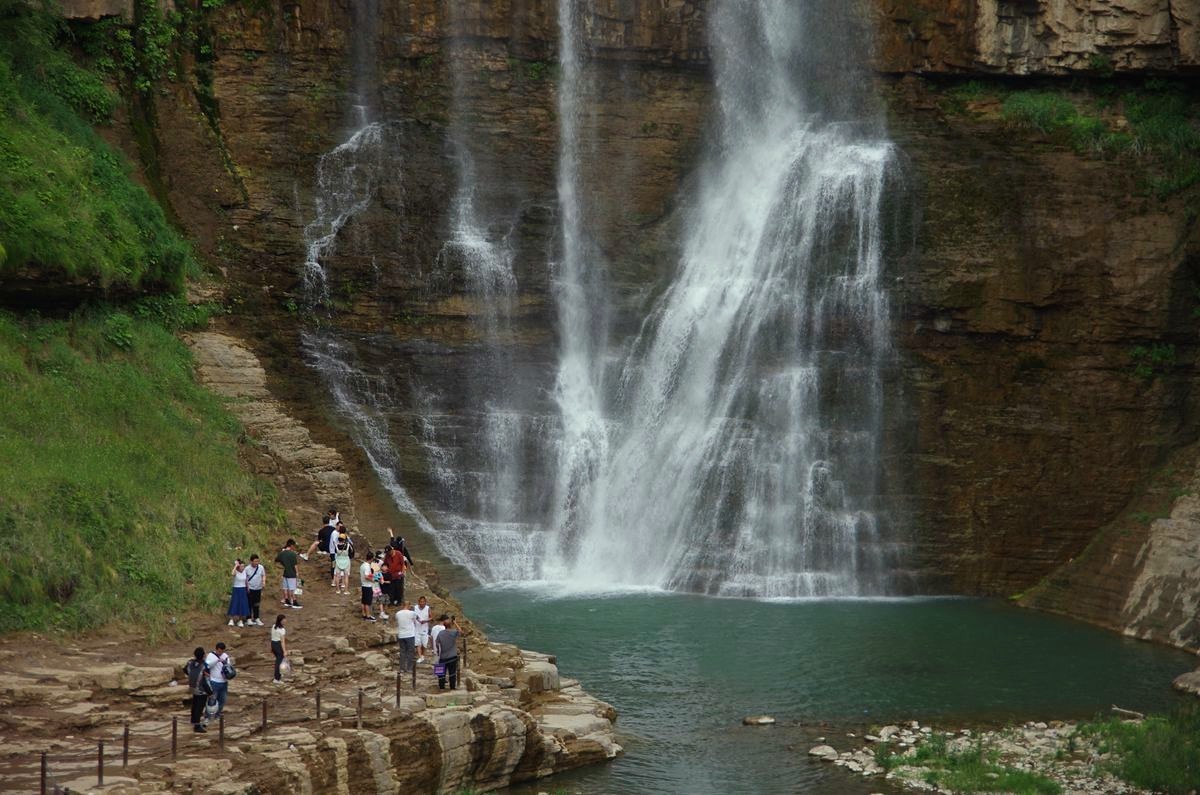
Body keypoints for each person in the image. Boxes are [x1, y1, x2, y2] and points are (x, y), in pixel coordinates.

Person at [184, 647, 211, 733]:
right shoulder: (204, 665)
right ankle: (197, 726)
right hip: (201, 690)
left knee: (194, 705)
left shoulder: (190, 662)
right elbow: (205, 681)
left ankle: (193, 721)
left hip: (192, 687)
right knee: (199, 708)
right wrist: (210, 692)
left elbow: (185, 670)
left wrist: (191, 676)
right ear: (203, 655)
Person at [205, 642, 232, 716]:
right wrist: (217, 660)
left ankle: (218, 713)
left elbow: (229, 666)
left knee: (222, 699)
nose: (221, 653)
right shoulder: (210, 655)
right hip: (214, 681)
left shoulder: (225, 656)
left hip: (224, 682)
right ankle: (208, 714)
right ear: (216, 649)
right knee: (212, 699)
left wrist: (225, 663)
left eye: (222, 651)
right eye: (219, 651)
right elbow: (207, 665)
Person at [274, 539, 302, 609]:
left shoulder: (282, 553)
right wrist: (297, 573)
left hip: (285, 573)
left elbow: (276, 560)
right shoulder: (292, 554)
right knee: (292, 589)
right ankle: (294, 601)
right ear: (292, 545)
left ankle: (287, 600)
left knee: (285, 587)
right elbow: (295, 565)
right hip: (292, 574)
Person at [435, 616, 460, 690]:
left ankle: (441, 687)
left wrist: (438, 651)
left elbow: (437, 643)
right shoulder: (453, 632)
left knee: (441, 673)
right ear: (450, 625)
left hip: (442, 656)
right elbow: (460, 631)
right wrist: (455, 622)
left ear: (444, 626)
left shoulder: (440, 633)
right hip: (452, 656)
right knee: (452, 673)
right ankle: (452, 687)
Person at [394, 600, 417, 673]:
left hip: (401, 635)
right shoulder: (412, 613)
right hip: (410, 634)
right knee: (410, 652)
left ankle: (402, 668)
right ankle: (409, 668)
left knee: (402, 652)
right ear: (409, 605)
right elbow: (415, 621)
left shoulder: (398, 613)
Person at [227, 560, 250, 627]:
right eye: (241, 566)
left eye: (244, 566)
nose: (243, 567)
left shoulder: (245, 572)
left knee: (242, 604)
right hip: (236, 589)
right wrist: (236, 566)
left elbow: (246, 580)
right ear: (239, 566)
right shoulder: (236, 571)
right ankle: (231, 619)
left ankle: (240, 620)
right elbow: (232, 574)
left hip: (243, 589)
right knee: (235, 603)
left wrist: (247, 587)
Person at [244, 555, 266, 626]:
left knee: (256, 604)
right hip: (250, 589)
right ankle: (248, 618)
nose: (257, 563)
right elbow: (245, 579)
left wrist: (263, 581)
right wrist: (247, 587)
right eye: (255, 561)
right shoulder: (247, 569)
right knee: (249, 604)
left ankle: (256, 618)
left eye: (258, 561)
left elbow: (263, 575)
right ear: (251, 561)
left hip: (258, 588)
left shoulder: (261, 567)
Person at [384, 541, 406, 607]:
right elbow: (385, 564)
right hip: (391, 575)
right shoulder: (387, 556)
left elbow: (402, 564)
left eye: (389, 552)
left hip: (399, 575)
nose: (388, 553)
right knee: (391, 589)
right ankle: (392, 602)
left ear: (392, 550)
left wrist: (402, 572)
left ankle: (399, 601)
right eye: (387, 552)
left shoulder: (398, 554)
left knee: (399, 589)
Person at [270, 614, 288, 684]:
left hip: (273, 644)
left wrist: (271, 647)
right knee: (279, 662)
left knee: (278, 660)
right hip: (278, 645)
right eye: (284, 620)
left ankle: (279, 674)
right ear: (281, 621)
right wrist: (284, 651)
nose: (285, 621)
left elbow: (272, 637)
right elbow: (282, 642)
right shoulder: (282, 630)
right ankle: (277, 678)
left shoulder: (274, 626)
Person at [413, 596, 431, 664]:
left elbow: (431, 617)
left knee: (424, 644)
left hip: (424, 628)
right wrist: (417, 619)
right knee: (418, 644)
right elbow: (413, 615)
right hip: (416, 628)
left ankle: (423, 655)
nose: (422, 603)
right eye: (421, 602)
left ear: (425, 602)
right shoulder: (415, 607)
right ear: (418, 602)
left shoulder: (427, 608)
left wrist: (425, 621)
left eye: (423, 602)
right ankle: (420, 657)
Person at [359, 556, 377, 621]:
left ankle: (364, 615)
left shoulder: (362, 565)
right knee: (367, 602)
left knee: (363, 601)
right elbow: (366, 577)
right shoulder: (367, 566)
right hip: (368, 586)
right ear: (371, 558)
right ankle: (368, 616)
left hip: (363, 585)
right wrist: (373, 580)